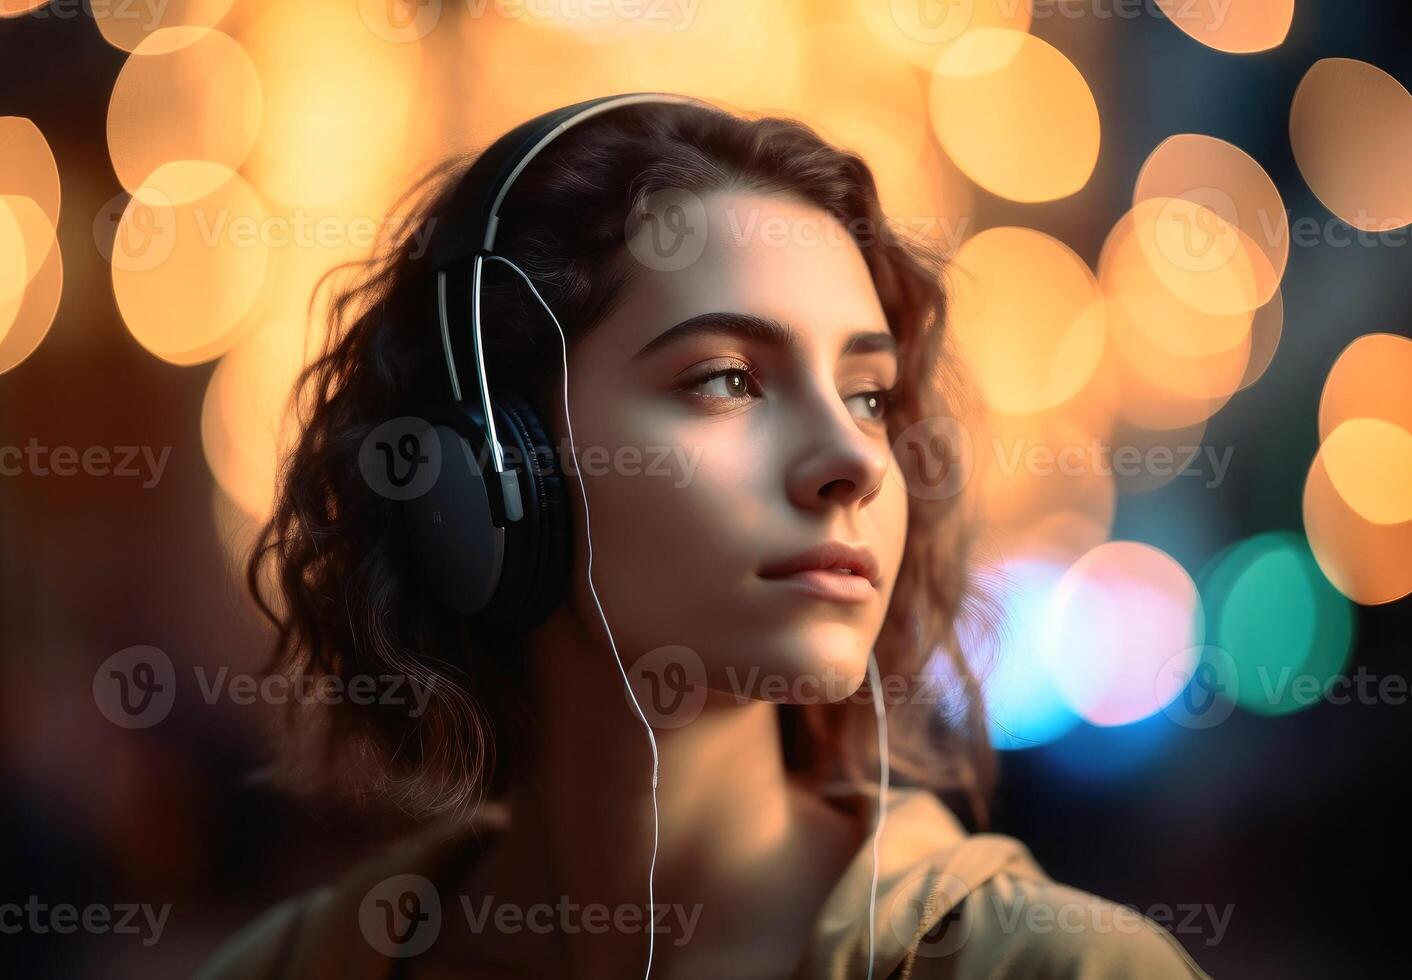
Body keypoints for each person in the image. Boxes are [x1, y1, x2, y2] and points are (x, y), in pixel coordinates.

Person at [197, 95, 1209, 979]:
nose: (853, 461)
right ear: (492, 468)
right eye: (726, 377)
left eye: (868, 395)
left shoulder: (1060, 968)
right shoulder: (295, 967)